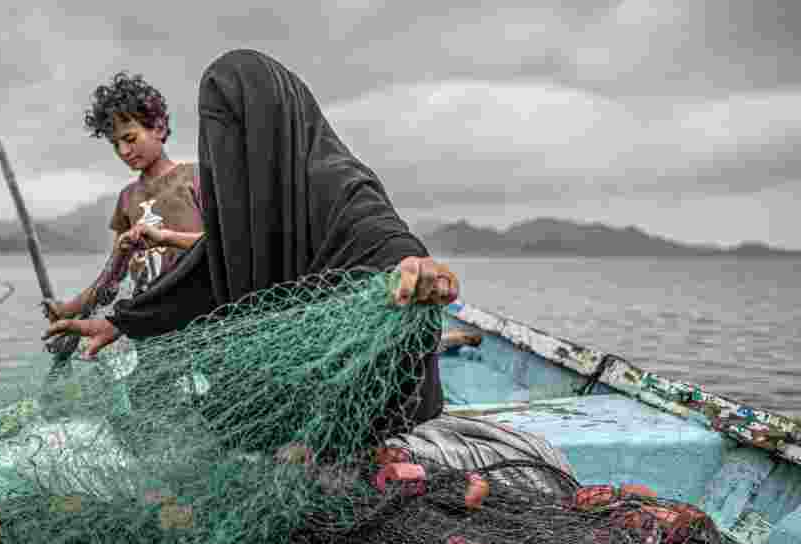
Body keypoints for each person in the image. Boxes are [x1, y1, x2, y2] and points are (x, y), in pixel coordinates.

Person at [43, 49, 573, 489]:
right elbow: (208, 268)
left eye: (234, 128)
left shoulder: (335, 182)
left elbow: (381, 235)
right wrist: (122, 321)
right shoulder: (246, 201)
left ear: (273, 120)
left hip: (369, 413)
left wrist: (418, 268)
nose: (226, 147)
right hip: (297, 407)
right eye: (217, 131)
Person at [43, 71, 205, 323]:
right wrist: (68, 310)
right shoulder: (127, 198)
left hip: (199, 316)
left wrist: (166, 237)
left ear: (159, 128)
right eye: (115, 144)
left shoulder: (194, 178)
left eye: (130, 138)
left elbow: (221, 246)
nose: (123, 151)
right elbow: (112, 277)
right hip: (151, 324)